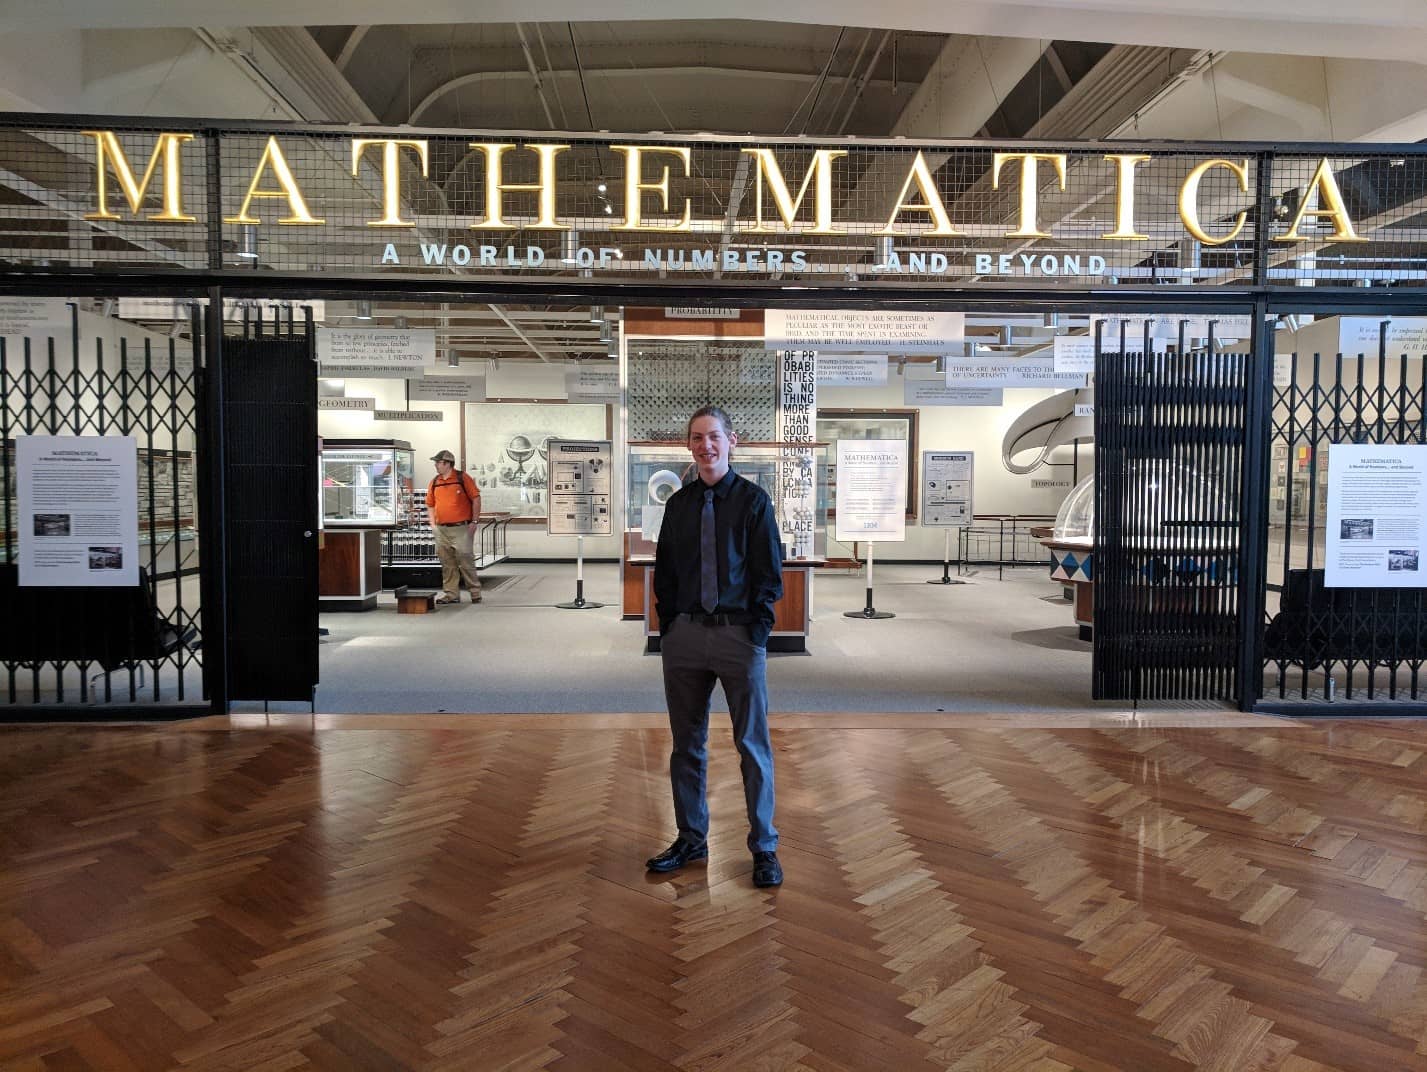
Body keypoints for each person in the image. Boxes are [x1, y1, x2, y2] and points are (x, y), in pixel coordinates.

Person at [647, 405, 785, 888]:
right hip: (684, 638)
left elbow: (769, 573)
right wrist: (670, 627)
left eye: (713, 437)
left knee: (752, 743)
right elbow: (665, 572)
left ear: (731, 441)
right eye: (696, 438)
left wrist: (756, 631)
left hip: (737, 636)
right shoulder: (679, 506)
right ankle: (691, 837)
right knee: (686, 744)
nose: (705, 446)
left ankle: (764, 846)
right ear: (689, 445)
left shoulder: (753, 502)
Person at [426, 449, 482, 604]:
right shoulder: (434, 482)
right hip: (441, 529)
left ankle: (475, 592)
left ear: (448, 464)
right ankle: (451, 594)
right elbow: (430, 504)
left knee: (466, 560)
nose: (436, 465)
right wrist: (433, 524)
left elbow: (476, 498)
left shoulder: (462, 478)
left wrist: (474, 521)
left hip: (461, 528)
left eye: (438, 462)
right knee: (447, 563)